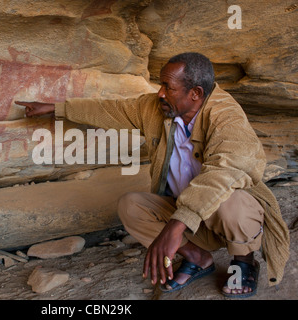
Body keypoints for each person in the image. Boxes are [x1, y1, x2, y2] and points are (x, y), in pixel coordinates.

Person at [17, 52, 290, 298]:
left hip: (224, 219)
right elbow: (109, 110)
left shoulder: (227, 117)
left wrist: (176, 225)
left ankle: (244, 261)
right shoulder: (156, 108)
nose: (160, 93)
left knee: (233, 203)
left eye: (168, 87)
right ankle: (197, 259)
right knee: (130, 205)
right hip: (190, 222)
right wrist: (56, 108)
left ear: (195, 93)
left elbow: (224, 173)